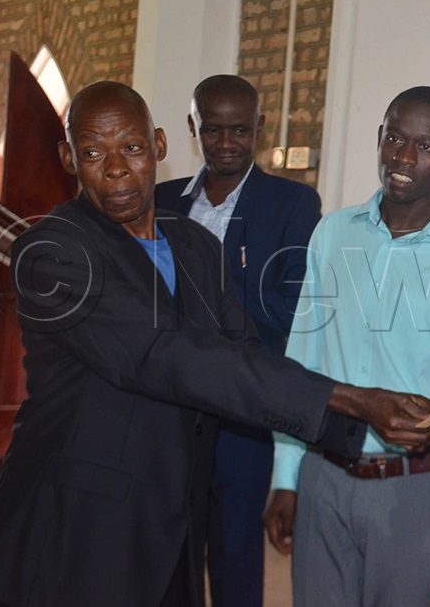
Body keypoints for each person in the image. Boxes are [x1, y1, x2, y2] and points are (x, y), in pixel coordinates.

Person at [0, 81, 430, 607]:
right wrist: (354, 399)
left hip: (172, 520)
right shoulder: (53, 251)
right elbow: (167, 355)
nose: (116, 169)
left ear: (159, 144)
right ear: (68, 159)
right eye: (92, 153)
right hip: (75, 530)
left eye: (131, 147)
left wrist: (379, 425)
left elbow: (244, 355)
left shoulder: (193, 243)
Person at [261, 86, 430, 607]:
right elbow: (302, 360)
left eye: (426, 146)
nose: (404, 158)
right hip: (323, 475)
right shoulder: (332, 234)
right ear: (380, 137)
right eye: (395, 138)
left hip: (413, 490)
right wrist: (287, 477)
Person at [155, 74, 321, 607]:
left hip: (241, 413)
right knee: (168, 555)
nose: (226, 142)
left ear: (260, 127)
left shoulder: (291, 203)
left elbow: (290, 306)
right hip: (169, 411)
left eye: (240, 130)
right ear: (193, 127)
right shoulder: (162, 200)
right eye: (213, 130)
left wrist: (206, 313)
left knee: (235, 557)